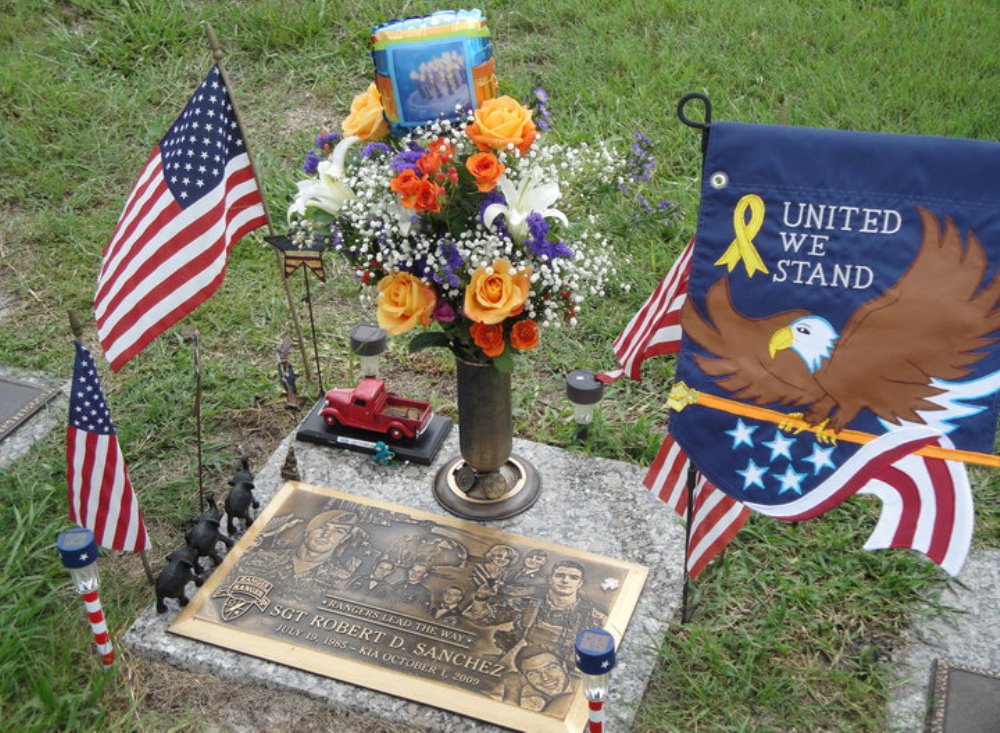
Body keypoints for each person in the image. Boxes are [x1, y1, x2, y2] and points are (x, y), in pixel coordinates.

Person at [494, 560, 608, 658]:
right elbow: (482, 619)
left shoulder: (595, 618)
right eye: (559, 575)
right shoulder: (524, 604)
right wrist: (480, 598)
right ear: (550, 579)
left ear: (580, 584)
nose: (565, 581)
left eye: (573, 577)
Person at [491, 645, 576, 715]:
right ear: (523, 678)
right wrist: (514, 686)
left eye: (551, 668)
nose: (545, 678)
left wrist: (512, 689)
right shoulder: (531, 697)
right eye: (533, 673)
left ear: (564, 667)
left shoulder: (576, 695)